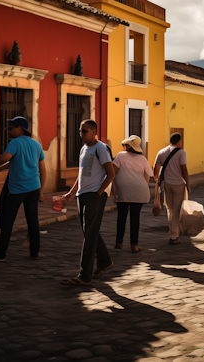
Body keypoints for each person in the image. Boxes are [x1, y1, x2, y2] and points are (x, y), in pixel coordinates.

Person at [0, 116, 46, 262]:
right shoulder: (36, 145)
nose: (9, 129)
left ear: (20, 128)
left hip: (17, 189)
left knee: (7, 220)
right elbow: (40, 168)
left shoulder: (15, 143)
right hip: (34, 188)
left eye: (11, 127)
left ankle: (1, 253)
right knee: (33, 221)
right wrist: (41, 191)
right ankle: (35, 252)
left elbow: (7, 157)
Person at [61, 120, 115, 285]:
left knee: (90, 234)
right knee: (88, 231)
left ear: (94, 132)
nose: (81, 134)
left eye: (84, 131)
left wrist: (99, 193)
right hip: (82, 194)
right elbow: (82, 172)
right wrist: (71, 193)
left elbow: (111, 174)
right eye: (80, 131)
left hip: (95, 195)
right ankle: (105, 261)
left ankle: (84, 276)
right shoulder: (84, 149)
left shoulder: (101, 148)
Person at [112, 135, 153, 253]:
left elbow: (113, 173)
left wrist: (114, 190)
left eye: (125, 145)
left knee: (121, 217)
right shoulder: (143, 159)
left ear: (128, 146)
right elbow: (146, 177)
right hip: (139, 190)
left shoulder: (120, 156)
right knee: (135, 218)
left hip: (123, 190)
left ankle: (119, 243)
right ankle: (134, 245)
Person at [154, 132, 190, 244]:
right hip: (178, 184)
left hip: (167, 184)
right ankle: (174, 235)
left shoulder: (162, 151)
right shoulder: (181, 153)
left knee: (170, 208)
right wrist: (188, 184)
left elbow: (156, 167)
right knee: (177, 209)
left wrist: (157, 180)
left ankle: (173, 231)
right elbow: (184, 169)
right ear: (179, 141)